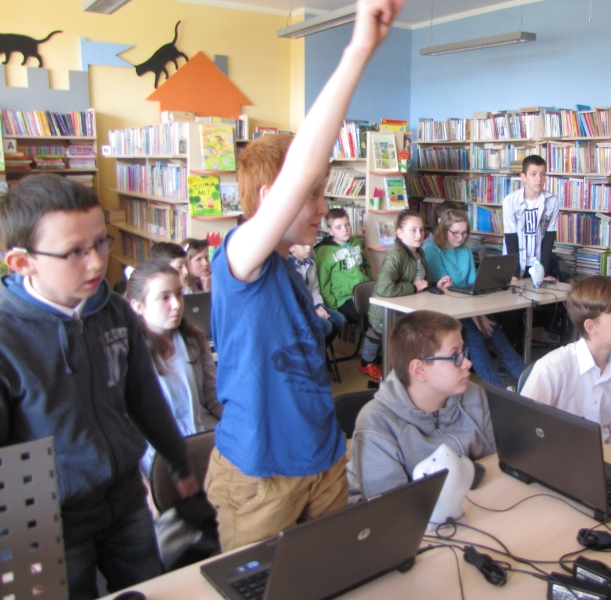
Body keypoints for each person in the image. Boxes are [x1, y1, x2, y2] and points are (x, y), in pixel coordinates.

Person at [203, 0, 405, 553]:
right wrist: (359, 49)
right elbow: (302, 168)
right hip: (263, 476)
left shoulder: (294, 264)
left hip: (324, 458)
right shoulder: (240, 259)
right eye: (313, 194)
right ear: (275, 197)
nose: (322, 207)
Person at [0, 174, 198, 599]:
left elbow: (143, 396)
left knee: (146, 586)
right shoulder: (7, 334)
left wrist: (179, 463)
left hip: (125, 498)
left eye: (100, 243)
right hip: (49, 519)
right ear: (22, 262)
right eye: (75, 252)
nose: (95, 263)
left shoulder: (113, 310)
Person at [349, 310, 496, 500]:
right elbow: (392, 508)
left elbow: (494, 466)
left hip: (469, 504)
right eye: (455, 356)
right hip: (405, 514)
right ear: (419, 370)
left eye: (463, 351)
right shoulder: (377, 424)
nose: (467, 363)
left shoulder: (473, 395)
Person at [520, 275, 611, 452]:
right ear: (592, 327)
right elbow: (525, 431)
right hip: (554, 456)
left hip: (604, 460)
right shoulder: (551, 369)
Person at [126, 261, 223, 475]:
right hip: (162, 461)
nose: (177, 304)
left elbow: (213, 397)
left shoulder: (194, 339)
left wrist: (241, 425)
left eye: (179, 294)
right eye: (164, 298)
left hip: (207, 441)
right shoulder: (129, 355)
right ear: (138, 306)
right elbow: (129, 427)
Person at [426, 208, 525, 388]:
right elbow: (449, 291)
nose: (460, 237)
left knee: (495, 330)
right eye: (455, 233)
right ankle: (497, 390)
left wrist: (482, 317)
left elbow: (473, 288)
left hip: (467, 306)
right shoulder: (432, 251)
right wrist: (479, 319)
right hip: (446, 310)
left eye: (464, 233)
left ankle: (529, 380)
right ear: (444, 230)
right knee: (476, 337)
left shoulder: (465, 250)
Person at [313, 208, 381, 379]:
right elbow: (323, 283)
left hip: (365, 293)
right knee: (374, 318)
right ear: (330, 231)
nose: (345, 229)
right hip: (344, 299)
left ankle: (379, 356)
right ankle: (367, 362)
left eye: (347, 225)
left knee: (387, 313)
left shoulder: (356, 242)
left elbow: (365, 265)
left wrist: (370, 284)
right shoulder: (323, 252)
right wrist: (333, 307)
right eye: (338, 227)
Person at [367, 210, 451, 336]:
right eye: (413, 230)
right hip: (389, 318)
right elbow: (383, 289)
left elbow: (421, 282)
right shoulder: (396, 255)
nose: (419, 235)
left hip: (412, 312)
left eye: (422, 230)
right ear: (400, 233)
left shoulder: (419, 251)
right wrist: (413, 287)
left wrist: (436, 284)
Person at [502, 154, 559, 280]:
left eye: (542, 174)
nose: (539, 179)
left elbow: (549, 238)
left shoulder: (552, 201)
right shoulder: (510, 201)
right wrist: (514, 273)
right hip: (515, 263)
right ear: (523, 177)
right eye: (533, 174)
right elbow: (511, 238)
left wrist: (545, 272)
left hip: (538, 263)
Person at [289, 243, 347, 344]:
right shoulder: (288, 267)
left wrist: (319, 306)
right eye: (303, 244)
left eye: (309, 243)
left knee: (340, 319)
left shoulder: (311, 262)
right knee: (326, 326)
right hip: (296, 311)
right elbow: (291, 300)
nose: (308, 247)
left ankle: (321, 349)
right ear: (291, 247)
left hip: (311, 306)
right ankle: (311, 350)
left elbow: (314, 290)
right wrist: (313, 311)